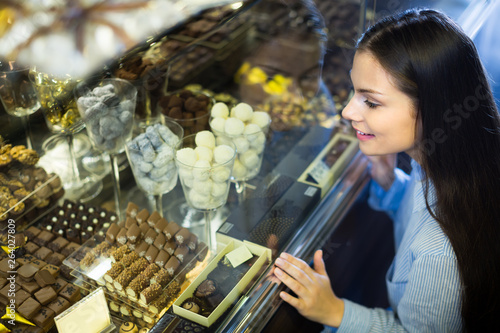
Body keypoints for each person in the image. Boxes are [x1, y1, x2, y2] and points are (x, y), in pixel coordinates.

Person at [273, 8, 500, 332]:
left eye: (372, 102)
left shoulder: (440, 255)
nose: (348, 110)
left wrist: (335, 312)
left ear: (432, 109)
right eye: (355, 92)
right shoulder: (452, 168)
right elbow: (423, 211)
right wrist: (391, 186)